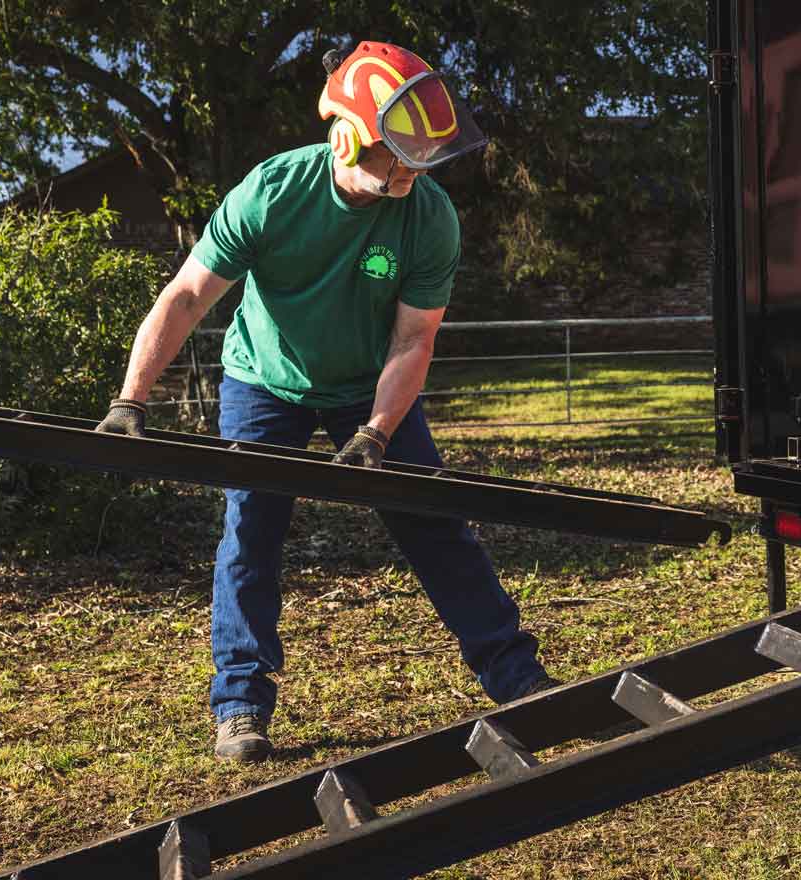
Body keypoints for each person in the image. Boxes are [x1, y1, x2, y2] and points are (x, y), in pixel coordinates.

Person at [96, 41, 556, 762]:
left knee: (435, 522)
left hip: (367, 386)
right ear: (347, 136)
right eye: (397, 157)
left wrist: (376, 432)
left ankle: (517, 676)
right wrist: (131, 401)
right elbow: (186, 296)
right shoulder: (272, 193)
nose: (411, 174)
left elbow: (412, 344)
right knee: (251, 531)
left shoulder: (428, 218)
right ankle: (242, 704)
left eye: (422, 160)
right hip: (264, 381)